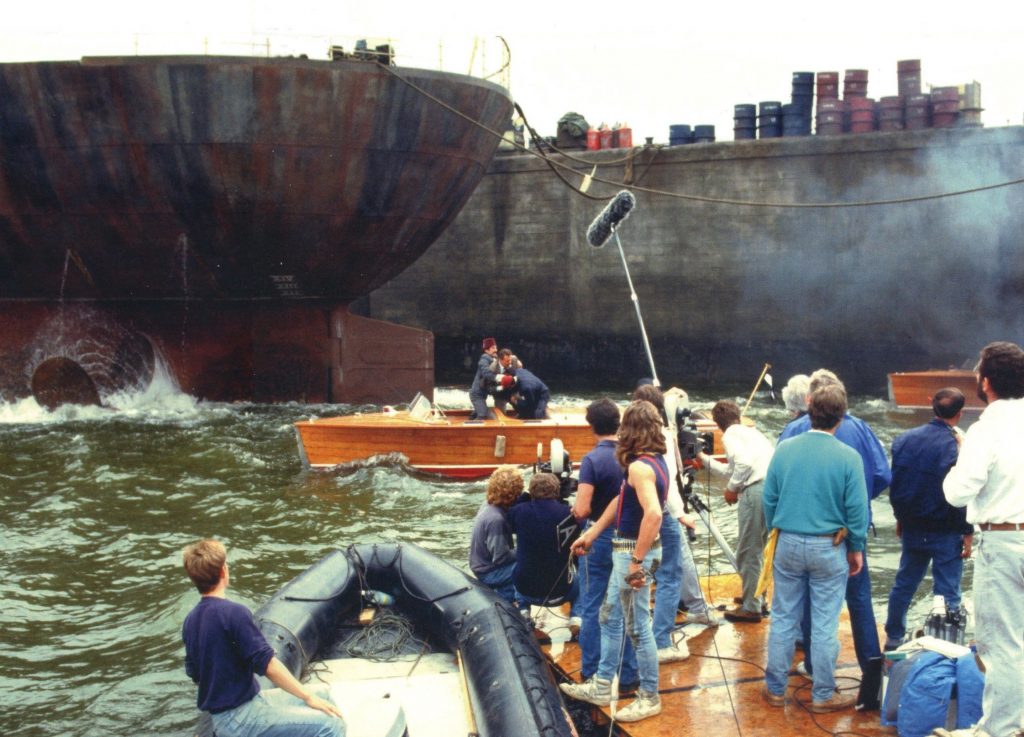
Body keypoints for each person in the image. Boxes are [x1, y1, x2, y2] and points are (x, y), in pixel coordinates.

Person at [779, 368, 890, 705]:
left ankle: (813, 666)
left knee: (811, 604)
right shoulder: (860, 428)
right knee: (860, 602)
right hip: (852, 531)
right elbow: (883, 474)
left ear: (811, 400)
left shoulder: (795, 430)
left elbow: (778, 479)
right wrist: (859, 500)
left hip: (807, 531)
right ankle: (871, 681)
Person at [935, 341, 1024, 737]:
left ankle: (998, 731)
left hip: (1003, 544)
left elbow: (956, 493)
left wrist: (961, 457)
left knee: (1002, 644)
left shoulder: (985, 428)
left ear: (986, 382)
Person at [762, 383, 868, 713]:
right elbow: (857, 511)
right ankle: (823, 694)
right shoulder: (849, 457)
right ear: (842, 416)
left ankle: (775, 688)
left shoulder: (785, 448)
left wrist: (774, 531)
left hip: (788, 542)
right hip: (829, 546)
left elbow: (769, 498)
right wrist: (856, 547)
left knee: (783, 617)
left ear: (810, 411)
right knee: (824, 623)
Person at [560, 400, 668, 723]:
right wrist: (592, 535)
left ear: (630, 430)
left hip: (632, 552)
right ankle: (603, 683)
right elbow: (620, 501)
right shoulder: (652, 462)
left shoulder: (639, 468)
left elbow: (654, 514)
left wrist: (636, 560)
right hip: (624, 548)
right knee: (608, 616)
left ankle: (650, 696)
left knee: (638, 628)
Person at [181, 539, 345, 737]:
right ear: (224, 571)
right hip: (241, 718)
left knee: (323, 696)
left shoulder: (190, 621)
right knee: (331, 724)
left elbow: (195, 674)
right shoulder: (235, 613)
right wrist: (307, 697)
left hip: (242, 706)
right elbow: (268, 666)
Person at [884, 387, 973, 650]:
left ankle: (893, 638)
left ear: (930, 404)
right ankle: (943, 647)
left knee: (904, 583)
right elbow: (962, 492)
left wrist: (901, 518)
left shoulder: (904, 439)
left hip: (912, 527)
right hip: (946, 530)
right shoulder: (958, 444)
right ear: (960, 413)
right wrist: (967, 531)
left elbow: (897, 485)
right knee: (947, 593)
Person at [632, 383, 710, 664]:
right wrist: (679, 514)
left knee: (641, 572)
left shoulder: (627, 441)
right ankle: (661, 640)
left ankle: (640, 634)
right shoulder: (661, 439)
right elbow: (668, 481)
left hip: (636, 514)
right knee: (669, 574)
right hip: (662, 511)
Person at [571, 398, 640, 690]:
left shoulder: (591, 460)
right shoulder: (631, 457)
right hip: (626, 538)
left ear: (592, 427)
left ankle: (591, 672)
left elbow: (583, 509)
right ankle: (628, 677)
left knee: (593, 603)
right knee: (626, 606)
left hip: (598, 538)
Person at [699, 399, 774, 623]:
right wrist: (702, 459)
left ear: (717, 423)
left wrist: (731, 490)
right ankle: (755, 596)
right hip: (770, 489)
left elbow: (744, 466)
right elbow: (732, 468)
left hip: (756, 491)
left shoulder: (730, 435)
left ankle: (752, 608)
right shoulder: (752, 433)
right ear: (738, 416)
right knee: (758, 548)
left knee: (748, 550)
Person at [508, 472, 581, 609]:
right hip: (561, 591)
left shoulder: (518, 512)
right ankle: (576, 616)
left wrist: (525, 495)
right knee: (582, 578)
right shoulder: (569, 514)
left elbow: (510, 519)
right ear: (556, 490)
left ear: (531, 490)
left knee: (515, 567)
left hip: (526, 591)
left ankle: (523, 609)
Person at [469, 465, 522, 604]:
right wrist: (524, 550)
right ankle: (506, 602)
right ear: (513, 494)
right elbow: (500, 558)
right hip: (488, 572)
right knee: (527, 566)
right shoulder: (496, 519)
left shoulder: (488, 504)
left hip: (480, 564)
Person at [469, 337, 499, 420]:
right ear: (486, 350)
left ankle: (472, 417)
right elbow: (486, 373)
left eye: (496, 347)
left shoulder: (494, 360)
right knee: (482, 415)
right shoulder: (484, 359)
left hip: (482, 394)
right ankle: (469, 430)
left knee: (479, 411)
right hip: (477, 394)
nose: (496, 350)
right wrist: (498, 378)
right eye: (493, 348)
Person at [490, 348, 522, 412]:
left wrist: (519, 367)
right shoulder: (492, 369)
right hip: (500, 394)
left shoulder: (514, 359)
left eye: (510, 360)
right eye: (507, 361)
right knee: (501, 412)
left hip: (513, 391)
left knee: (522, 406)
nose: (510, 362)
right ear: (500, 360)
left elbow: (520, 374)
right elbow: (489, 387)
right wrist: (500, 388)